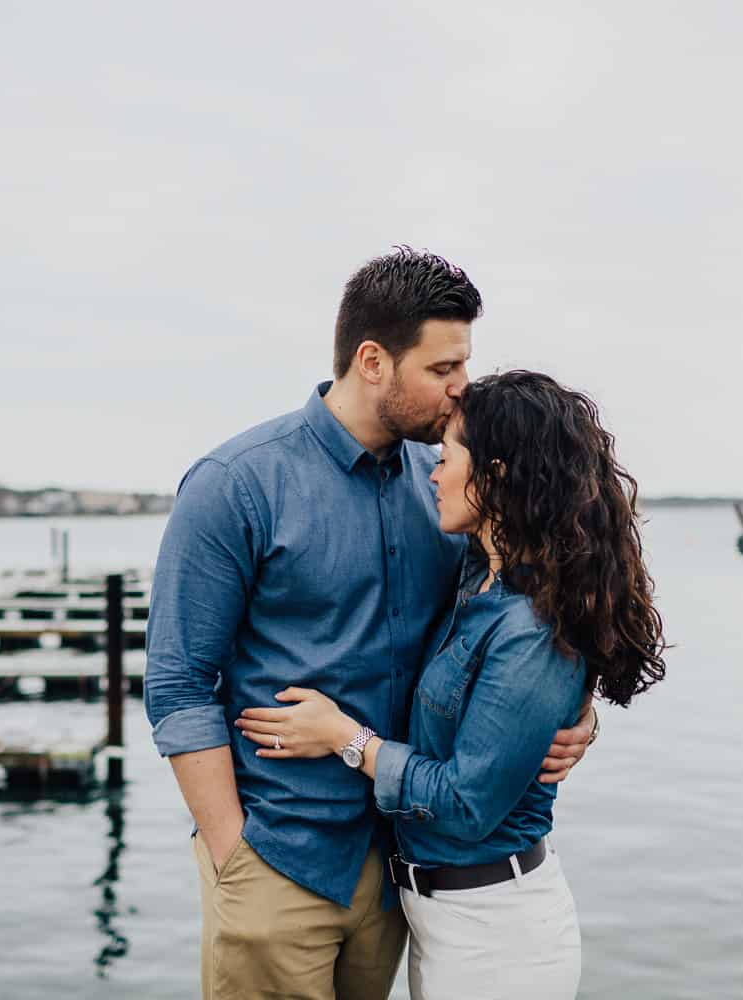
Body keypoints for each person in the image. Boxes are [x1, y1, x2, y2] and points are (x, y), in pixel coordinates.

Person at [144, 249, 599, 1000]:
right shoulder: (238, 484)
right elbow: (178, 682)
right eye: (443, 368)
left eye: (465, 365)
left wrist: (574, 713)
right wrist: (234, 854)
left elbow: (516, 621)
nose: (462, 389)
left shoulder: (448, 487)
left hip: (401, 871)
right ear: (373, 361)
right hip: (279, 855)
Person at [236, 370, 667, 999]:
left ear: (494, 475)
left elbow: (466, 804)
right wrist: (581, 719)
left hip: (496, 934)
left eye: (446, 460)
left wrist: (343, 738)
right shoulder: (479, 578)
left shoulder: (530, 628)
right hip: (441, 920)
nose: (432, 475)